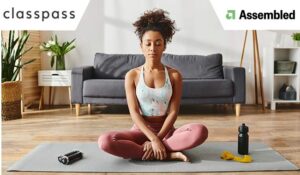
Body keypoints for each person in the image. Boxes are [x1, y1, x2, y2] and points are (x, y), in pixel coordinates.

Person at [98, 9, 208, 162]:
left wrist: (158, 139)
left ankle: (147, 151)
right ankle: (168, 154)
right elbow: (134, 113)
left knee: (200, 131)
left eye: (158, 43)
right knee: (105, 141)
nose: (152, 48)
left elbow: (173, 112)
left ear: (164, 46)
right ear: (141, 46)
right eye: (148, 44)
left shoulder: (174, 75)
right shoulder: (132, 75)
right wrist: (152, 139)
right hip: (140, 131)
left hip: (167, 132)